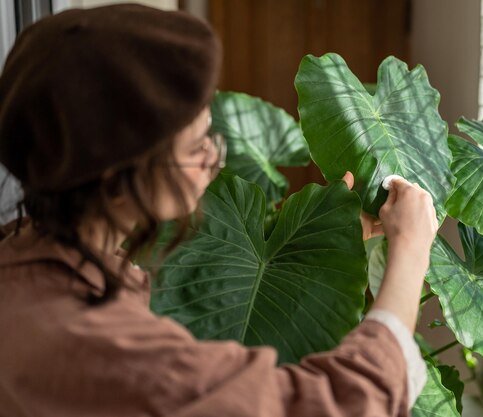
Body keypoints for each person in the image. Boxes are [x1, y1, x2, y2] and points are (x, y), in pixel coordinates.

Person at [0, 4, 438, 417]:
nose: (216, 159)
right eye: (197, 147)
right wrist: (411, 250)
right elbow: (335, 404)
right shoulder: (94, 346)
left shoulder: (28, 257)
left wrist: (317, 243)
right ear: (116, 177)